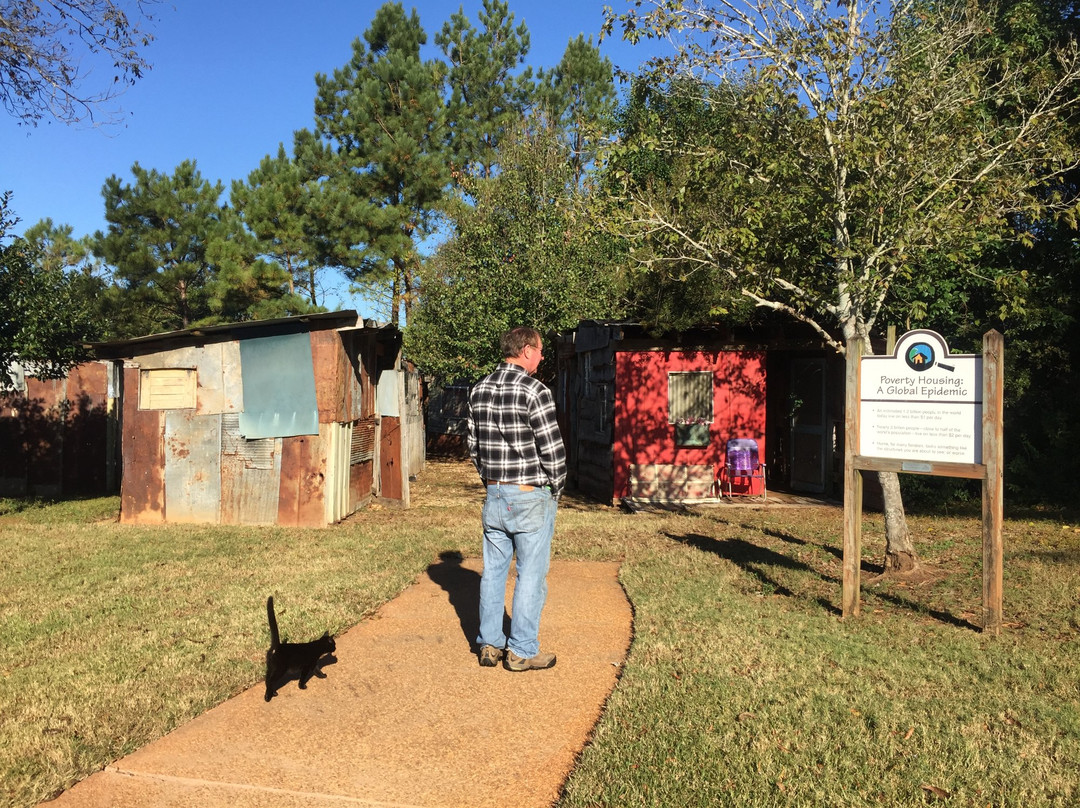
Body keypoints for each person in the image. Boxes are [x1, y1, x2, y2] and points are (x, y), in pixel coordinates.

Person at [466, 326, 566, 671]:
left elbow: (473, 446)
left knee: (493, 571)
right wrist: (557, 486)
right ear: (525, 350)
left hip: (494, 492)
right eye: (539, 350)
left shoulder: (478, 389)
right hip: (529, 493)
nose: (541, 356)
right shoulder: (535, 391)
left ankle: (490, 644)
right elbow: (551, 449)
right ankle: (522, 649)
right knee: (530, 574)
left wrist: (490, 481)